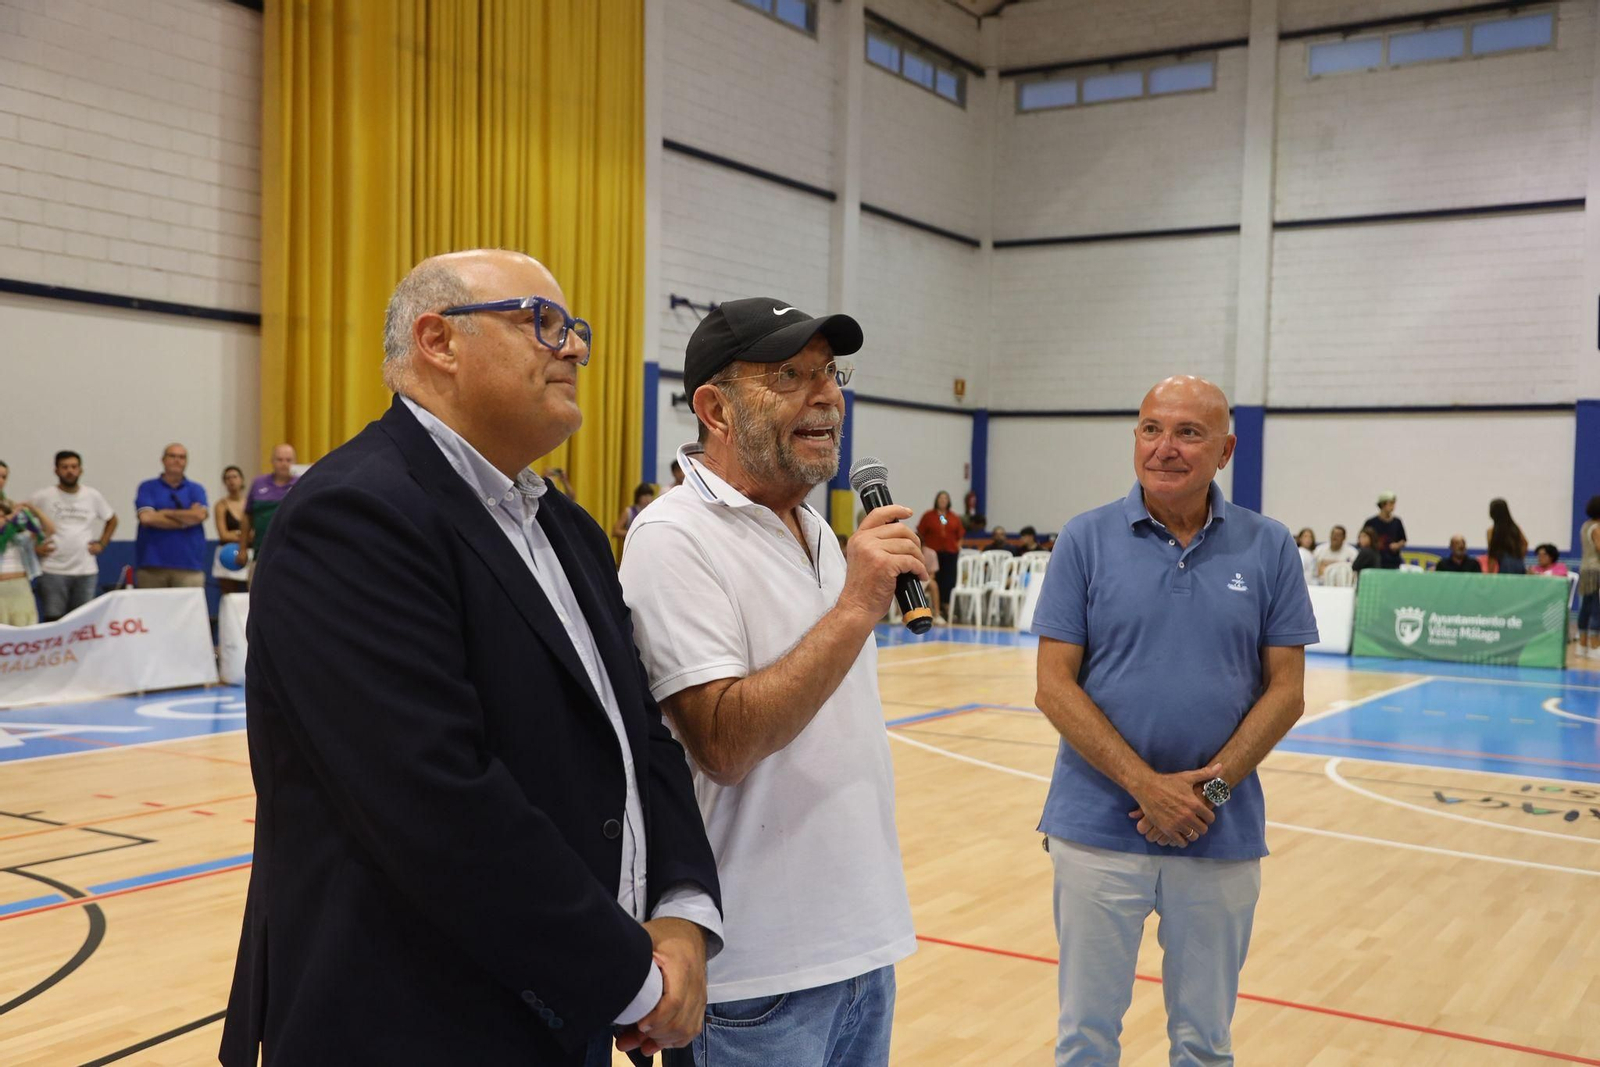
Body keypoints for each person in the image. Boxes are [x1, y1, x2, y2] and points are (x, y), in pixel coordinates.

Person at [221, 250, 721, 1067]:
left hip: (565, 1010)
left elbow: (641, 736)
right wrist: (633, 979)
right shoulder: (352, 514)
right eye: (543, 324)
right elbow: (433, 799)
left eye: (577, 331)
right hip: (407, 1024)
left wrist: (680, 911)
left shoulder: (568, 527)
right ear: (437, 340)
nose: (574, 349)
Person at [619, 296, 919, 1067]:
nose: (826, 396)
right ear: (715, 409)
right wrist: (857, 606)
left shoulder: (816, 528)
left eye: (829, 373)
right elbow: (723, 741)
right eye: (790, 375)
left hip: (859, 950)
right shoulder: (674, 536)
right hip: (753, 978)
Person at [1031, 375, 1317, 1067]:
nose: (1166, 447)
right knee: (1085, 1039)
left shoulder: (1270, 545)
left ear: (1225, 449)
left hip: (1220, 834)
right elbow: (1052, 686)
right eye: (1152, 428)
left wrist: (1204, 796)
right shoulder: (1085, 538)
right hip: (1097, 830)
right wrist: (1146, 787)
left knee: (1204, 1043)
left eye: (1189, 432)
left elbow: (1287, 691)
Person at [29, 450, 117, 621]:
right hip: (52, 569)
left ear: (80, 470)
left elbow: (112, 519)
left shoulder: (92, 496)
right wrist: (34, 545)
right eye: (65, 467)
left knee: (82, 621)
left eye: (74, 467)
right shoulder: (43, 496)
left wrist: (102, 544)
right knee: (53, 620)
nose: (70, 471)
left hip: (85, 569)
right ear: (56, 470)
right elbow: (23, 519)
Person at [133, 443, 209, 588]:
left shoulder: (196, 489)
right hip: (152, 567)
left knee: (189, 611)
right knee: (151, 610)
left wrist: (165, 513)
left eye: (182, 457)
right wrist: (186, 520)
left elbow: (199, 516)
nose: (177, 460)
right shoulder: (147, 487)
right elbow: (147, 518)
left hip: (189, 567)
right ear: (163, 460)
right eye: (172, 456)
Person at [0, 460, 51, 626]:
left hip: (19, 582)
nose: (1, 480)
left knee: (23, 632)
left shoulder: (13, 509)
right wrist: (10, 518)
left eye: (4, 477)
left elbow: (49, 530)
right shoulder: (12, 515)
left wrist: (34, 510)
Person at [236, 444, 299, 573]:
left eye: (288, 460)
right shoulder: (258, 483)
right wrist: (242, 548)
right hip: (261, 555)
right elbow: (247, 516)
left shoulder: (301, 484)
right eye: (279, 459)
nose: (284, 464)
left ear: (294, 462)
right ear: (272, 461)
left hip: (292, 556)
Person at [918, 490, 964, 618]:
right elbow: (920, 532)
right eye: (940, 498)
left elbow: (960, 534)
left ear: (948, 501)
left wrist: (957, 545)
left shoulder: (954, 517)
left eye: (945, 499)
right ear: (937, 500)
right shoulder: (928, 516)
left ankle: (946, 605)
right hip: (934, 552)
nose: (943, 501)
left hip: (950, 553)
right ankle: (934, 607)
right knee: (936, 578)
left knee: (948, 580)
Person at [212, 465, 248, 595]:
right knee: (228, 594)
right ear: (224, 482)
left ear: (242, 480)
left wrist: (237, 534)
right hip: (226, 554)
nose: (231, 481)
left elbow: (256, 533)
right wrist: (245, 535)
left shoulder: (249, 503)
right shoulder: (221, 505)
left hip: (247, 552)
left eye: (234, 477)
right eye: (228, 478)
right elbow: (224, 535)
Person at [1577, 496, 1600, 657]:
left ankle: (1582, 646)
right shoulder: (1598, 527)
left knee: (1585, 608)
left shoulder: (1585, 526)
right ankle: (1594, 647)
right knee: (1597, 609)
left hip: (1585, 569)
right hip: (1597, 571)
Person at [1363, 491, 1407, 568]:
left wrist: (1397, 545)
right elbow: (1362, 540)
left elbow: (1403, 540)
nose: (1393, 506)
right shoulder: (1371, 522)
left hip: (1393, 561)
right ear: (1383, 505)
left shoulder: (1397, 522)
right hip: (1375, 561)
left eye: (1394, 504)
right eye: (1391, 503)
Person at [612, 482, 655, 557]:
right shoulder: (629, 512)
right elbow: (615, 531)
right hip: (631, 552)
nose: (648, 498)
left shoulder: (653, 512)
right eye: (644, 496)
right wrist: (633, 532)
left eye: (650, 496)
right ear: (638, 497)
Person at [1487, 498, 1528, 575]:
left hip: (1504, 566)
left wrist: (1490, 573)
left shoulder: (1491, 531)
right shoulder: (1515, 528)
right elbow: (1525, 543)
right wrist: (1519, 557)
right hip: (1518, 564)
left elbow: (1491, 554)